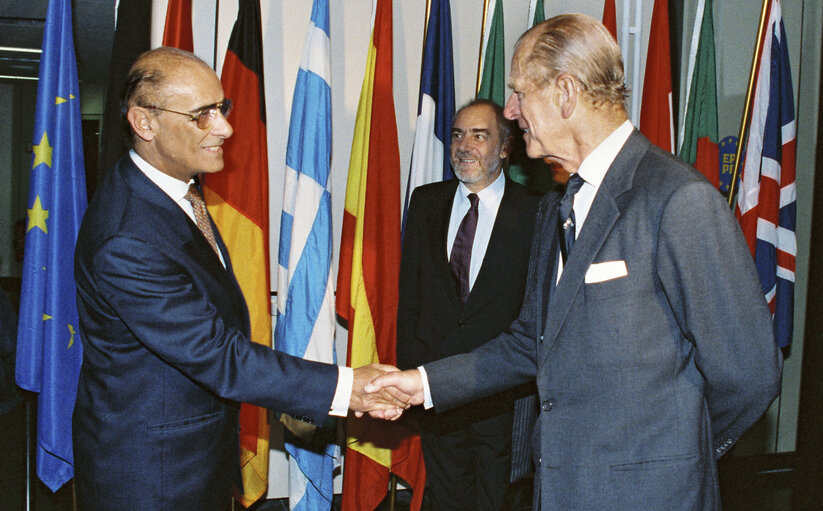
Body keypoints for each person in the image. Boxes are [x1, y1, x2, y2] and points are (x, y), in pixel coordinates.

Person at [366, 13, 782, 510]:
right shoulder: (554, 208)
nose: (513, 111)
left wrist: (671, 459)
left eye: (520, 92)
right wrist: (422, 383)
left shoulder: (677, 199)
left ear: (565, 92)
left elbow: (749, 375)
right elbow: (530, 341)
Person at [72, 47, 403, 511]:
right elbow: (218, 356)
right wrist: (350, 388)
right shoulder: (128, 237)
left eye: (221, 108)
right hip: (152, 477)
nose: (225, 128)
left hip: (191, 456)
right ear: (144, 124)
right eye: (201, 115)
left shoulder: (169, 191)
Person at [398, 99, 549, 510]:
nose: (464, 145)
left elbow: (539, 307)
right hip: (438, 387)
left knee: (499, 499)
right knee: (446, 497)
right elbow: (409, 294)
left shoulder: (537, 212)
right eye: (457, 134)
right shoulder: (426, 202)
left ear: (504, 147)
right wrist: (411, 370)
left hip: (503, 392)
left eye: (479, 135)